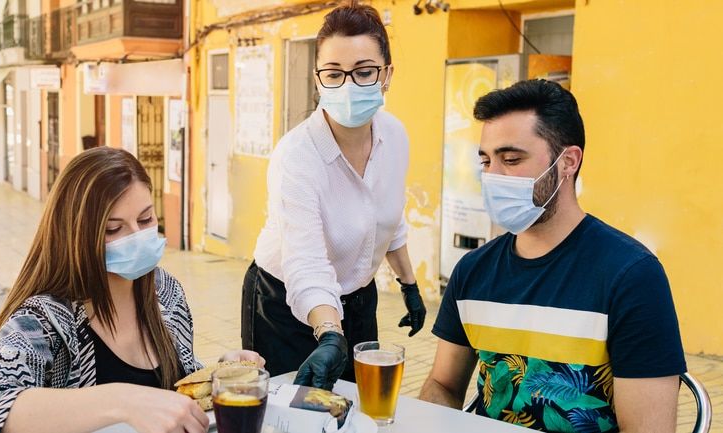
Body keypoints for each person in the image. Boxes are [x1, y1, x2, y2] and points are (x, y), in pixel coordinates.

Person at [420, 79, 686, 433]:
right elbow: (444, 385)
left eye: (511, 159)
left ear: (568, 162)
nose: (493, 177)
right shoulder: (474, 270)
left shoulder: (631, 276)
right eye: (486, 161)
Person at [0, 147, 264, 433]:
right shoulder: (43, 322)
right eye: (113, 229)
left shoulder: (166, 292)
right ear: (78, 234)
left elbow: (176, 392)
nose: (137, 236)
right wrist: (123, 401)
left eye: (146, 219)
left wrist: (219, 377)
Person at [241, 1, 426, 390]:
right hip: (284, 301)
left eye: (364, 72)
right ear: (317, 79)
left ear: (386, 75)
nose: (348, 86)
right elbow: (306, 263)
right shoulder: (297, 156)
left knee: (355, 408)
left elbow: (389, 218)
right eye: (334, 74)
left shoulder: (395, 137)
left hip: (358, 297)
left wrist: (409, 286)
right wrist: (329, 333)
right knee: (293, 412)